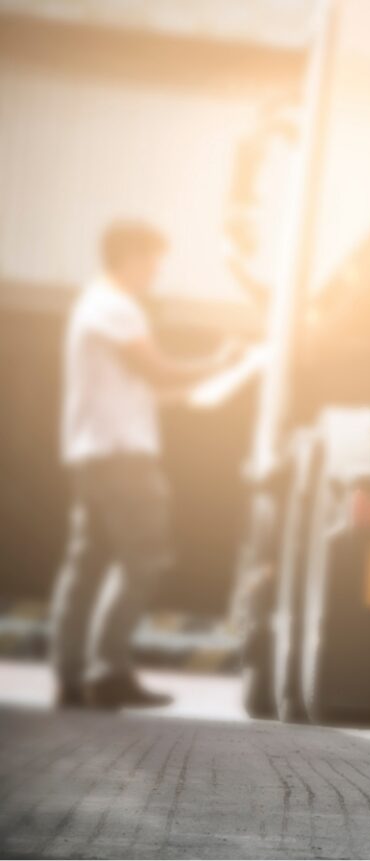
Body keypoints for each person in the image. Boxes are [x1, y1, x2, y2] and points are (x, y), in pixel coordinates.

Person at [50, 219, 241, 710]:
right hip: (124, 456)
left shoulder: (93, 305)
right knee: (143, 559)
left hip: (94, 453)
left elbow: (147, 388)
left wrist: (194, 389)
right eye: (153, 257)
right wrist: (219, 362)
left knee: (86, 563)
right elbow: (155, 369)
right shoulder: (116, 306)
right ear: (130, 256)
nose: (157, 269)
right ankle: (108, 671)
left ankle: (71, 679)